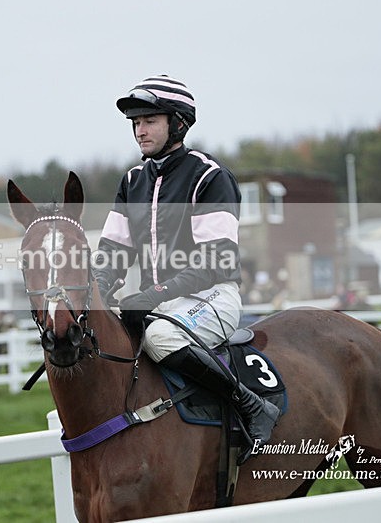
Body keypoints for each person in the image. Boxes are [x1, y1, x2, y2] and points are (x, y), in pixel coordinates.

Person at [93, 74, 279, 459]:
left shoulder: (210, 177)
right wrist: (93, 297)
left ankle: (249, 403)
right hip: (156, 303)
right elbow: (113, 252)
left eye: (149, 121)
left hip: (211, 297)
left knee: (160, 338)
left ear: (177, 122)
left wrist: (150, 295)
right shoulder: (131, 181)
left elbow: (214, 262)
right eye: (135, 123)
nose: (139, 131)